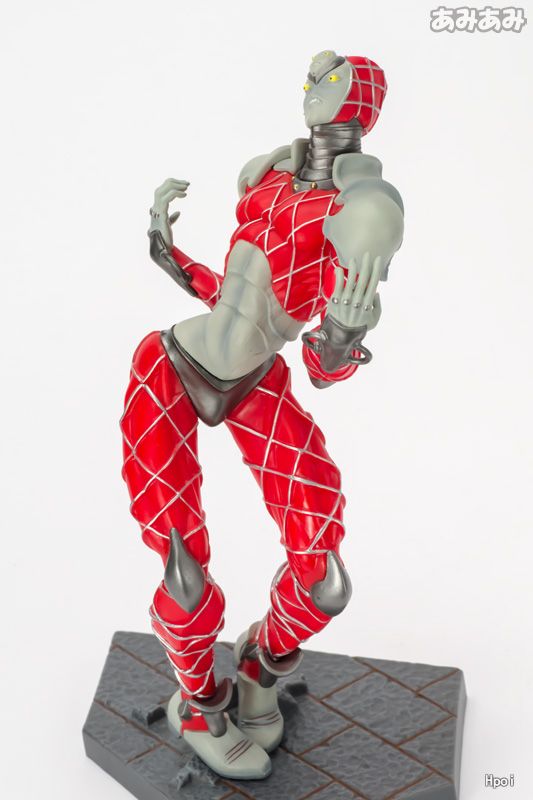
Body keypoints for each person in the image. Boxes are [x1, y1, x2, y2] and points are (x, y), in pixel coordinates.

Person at [120, 49, 404, 779]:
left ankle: (260, 665)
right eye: (312, 79)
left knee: (323, 581)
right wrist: (168, 253)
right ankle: (198, 703)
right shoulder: (266, 175)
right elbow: (235, 292)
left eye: (329, 82)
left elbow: (319, 368)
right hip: (172, 365)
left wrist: (340, 338)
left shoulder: (361, 208)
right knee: (183, 573)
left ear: (360, 102)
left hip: (256, 379)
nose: (313, 90)